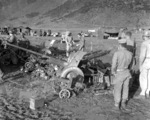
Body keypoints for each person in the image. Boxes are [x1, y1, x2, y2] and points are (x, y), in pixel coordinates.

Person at [111, 38, 132, 111]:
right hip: (127, 72)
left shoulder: (117, 53)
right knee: (126, 88)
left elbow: (113, 65)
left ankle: (117, 105)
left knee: (117, 89)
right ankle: (124, 103)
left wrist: (113, 72)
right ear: (125, 45)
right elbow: (131, 65)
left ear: (119, 45)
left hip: (119, 72)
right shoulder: (130, 53)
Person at [135, 30, 150, 99]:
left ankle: (143, 93)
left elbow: (142, 56)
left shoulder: (144, 43)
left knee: (143, 76)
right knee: (149, 77)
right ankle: (148, 92)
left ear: (144, 36)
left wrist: (140, 65)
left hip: (146, 61)